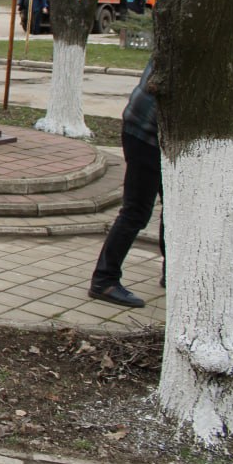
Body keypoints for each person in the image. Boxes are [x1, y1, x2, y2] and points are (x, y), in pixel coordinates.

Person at [88, 60, 163, 308]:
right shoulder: (191, 47)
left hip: (151, 135)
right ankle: (104, 281)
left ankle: (173, 272)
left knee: (176, 208)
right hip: (145, 136)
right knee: (136, 211)